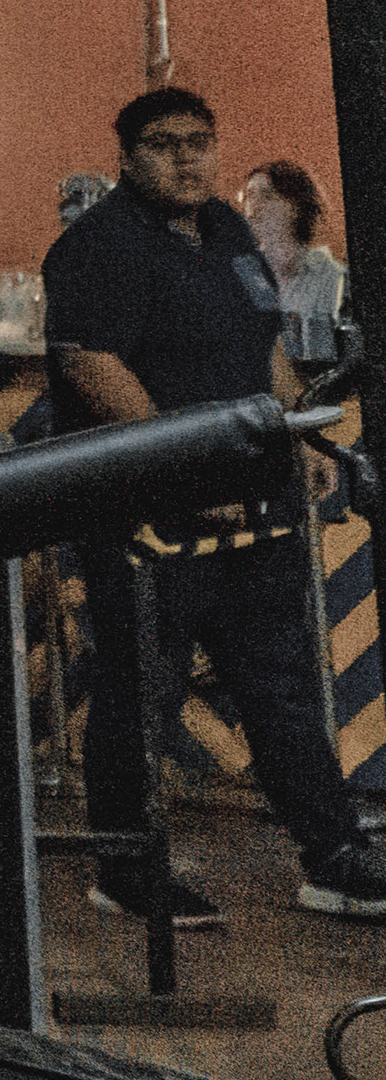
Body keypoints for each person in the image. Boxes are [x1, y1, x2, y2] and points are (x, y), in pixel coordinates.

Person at [49, 90, 386, 923]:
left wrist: (300, 437)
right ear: (126, 155)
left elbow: (261, 346)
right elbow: (91, 363)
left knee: (281, 685)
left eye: (198, 142)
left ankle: (333, 857)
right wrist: (181, 463)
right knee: (142, 692)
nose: (185, 159)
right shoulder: (95, 247)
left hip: (251, 505)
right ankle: (125, 872)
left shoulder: (230, 232)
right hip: (147, 514)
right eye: (163, 144)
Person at [240, 158, 347, 365]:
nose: (254, 207)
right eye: (249, 196)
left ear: (295, 205)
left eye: (267, 196)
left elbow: (326, 355)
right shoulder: (242, 275)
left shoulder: (331, 276)